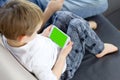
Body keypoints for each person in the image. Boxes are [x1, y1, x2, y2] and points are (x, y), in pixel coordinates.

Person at [0, 0, 118, 80]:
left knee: (63, 15)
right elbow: (53, 77)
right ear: (23, 36)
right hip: (64, 64)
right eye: (36, 30)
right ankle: (99, 49)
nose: (37, 31)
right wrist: (62, 56)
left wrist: (42, 35)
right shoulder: (35, 60)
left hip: (51, 45)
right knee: (77, 24)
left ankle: (84, 29)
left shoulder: (7, 37)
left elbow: (29, 42)